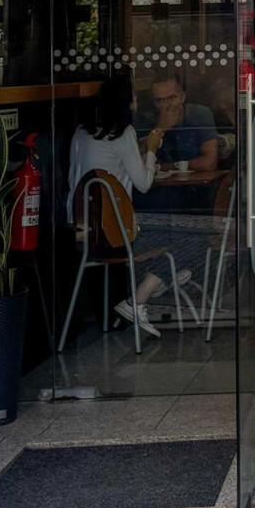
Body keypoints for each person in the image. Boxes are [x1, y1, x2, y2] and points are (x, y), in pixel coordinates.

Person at [67, 74, 191, 339]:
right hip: (115, 233)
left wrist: (142, 147)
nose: (137, 101)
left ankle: (157, 279)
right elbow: (144, 183)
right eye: (134, 97)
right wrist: (152, 150)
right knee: (181, 235)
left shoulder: (81, 132)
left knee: (171, 244)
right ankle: (146, 290)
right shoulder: (125, 132)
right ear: (126, 103)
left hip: (81, 227)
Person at [139, 72, 219, 174]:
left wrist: (168, 167)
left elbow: (209, 163)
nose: (167, 105)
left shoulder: (199, 114)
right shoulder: (147, 119)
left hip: (199, 181)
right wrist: (161, 128)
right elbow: (137, 161)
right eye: (160, 101)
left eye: (172, 98)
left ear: (182, 97)